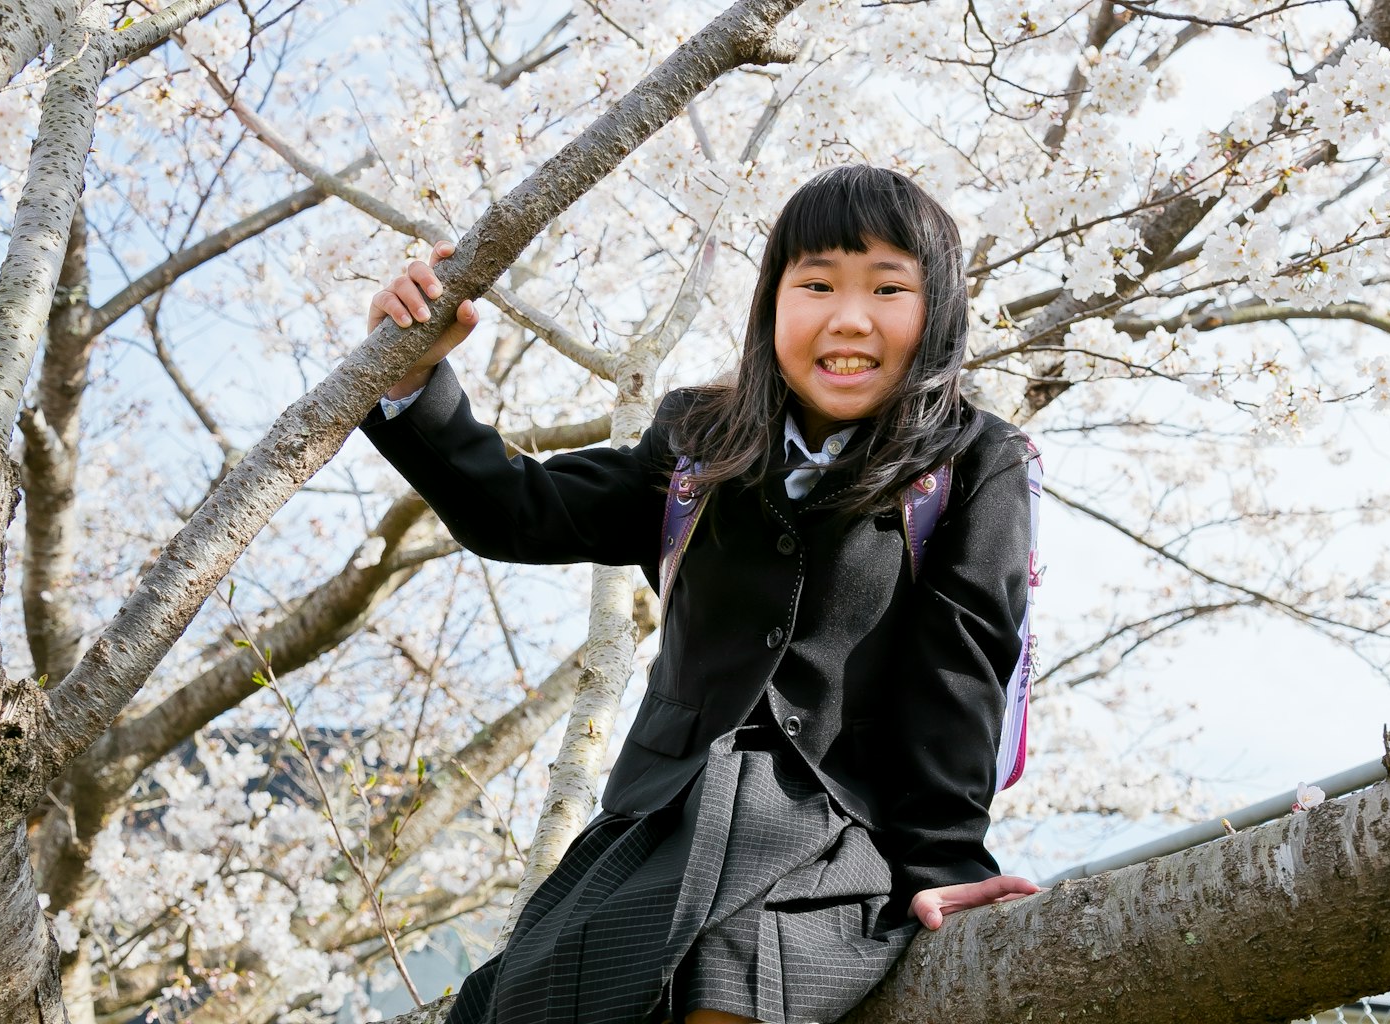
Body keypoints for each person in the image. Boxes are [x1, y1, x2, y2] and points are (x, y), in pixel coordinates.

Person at [360, 164, 1042, 1024]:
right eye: (818, 283)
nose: (849, 318)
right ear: (771, 306)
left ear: (937, 312)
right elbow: (521, 512)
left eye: (889, 288)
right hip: (658, 821)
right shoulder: (698, 440)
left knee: (731, 980)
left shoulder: (976, 460)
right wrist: (412, 381)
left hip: (831, 833)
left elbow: (964, 665)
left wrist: (948, 867)